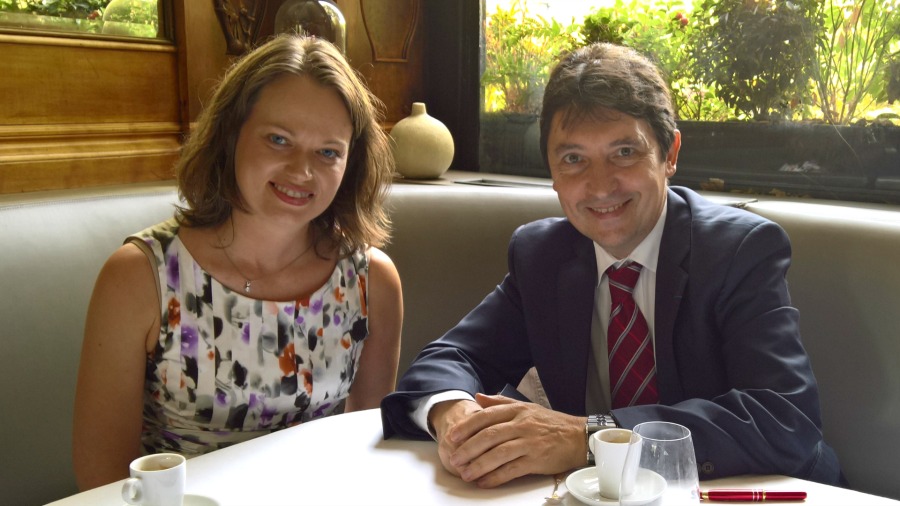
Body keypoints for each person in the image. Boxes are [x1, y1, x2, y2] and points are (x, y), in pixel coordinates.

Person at [381, 42, 842, 489]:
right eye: (573, 159)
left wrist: (588, 436)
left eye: (624, 152)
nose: (600, 186)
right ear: (552, 172)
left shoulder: (739, 250)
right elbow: (450, 359)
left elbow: (785, 419)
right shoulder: (542, 256)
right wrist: (456, 416)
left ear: (670, 154)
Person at [73, 35, 403, 490]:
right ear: (230, 136)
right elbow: (102, 477)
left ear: (351, 163)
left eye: (328, 152)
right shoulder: (139, 277)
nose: (302, 171)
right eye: (279, 140)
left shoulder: (372, 281)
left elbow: (364, 448)